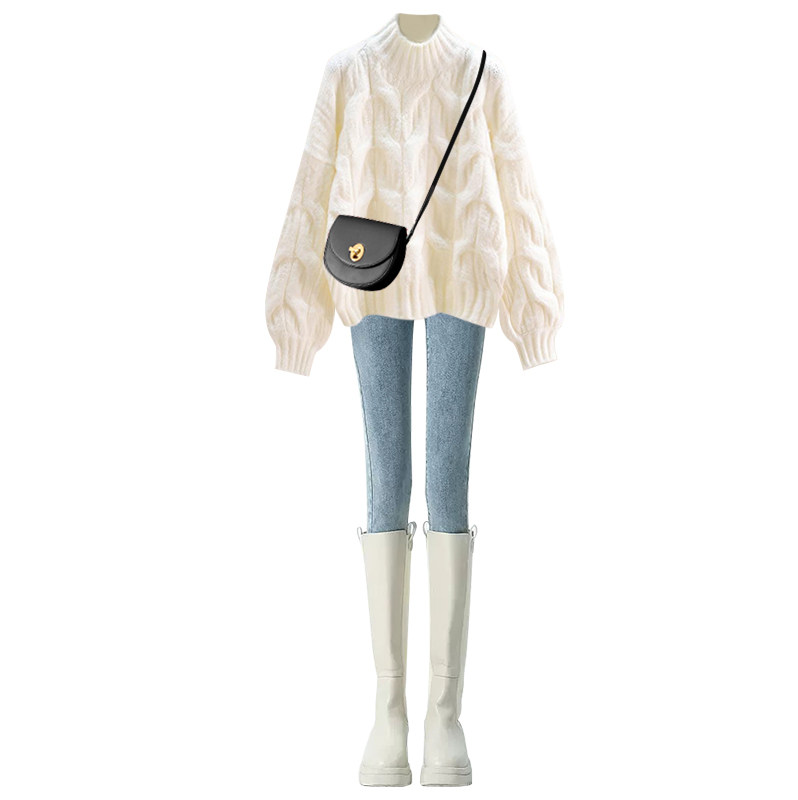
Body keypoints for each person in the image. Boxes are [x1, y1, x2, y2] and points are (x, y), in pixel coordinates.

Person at [265, 13, 564, 786]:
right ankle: (389, 709)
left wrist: (536, 317)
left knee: (447, 475)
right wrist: (294, 321)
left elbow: (519, 190)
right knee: (385, 478)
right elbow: (310, 192)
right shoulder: (347, 70)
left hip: (463, 274)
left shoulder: (483, 71)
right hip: (370, 275)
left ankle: (445, 715)